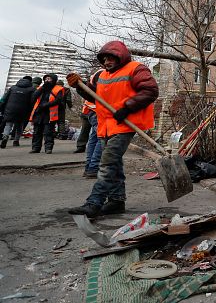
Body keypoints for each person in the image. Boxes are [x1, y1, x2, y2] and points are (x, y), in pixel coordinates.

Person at [66, 41, 158, 218]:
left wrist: (127, 107)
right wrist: (80, 86)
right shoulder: (103, 76)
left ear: (120, 56)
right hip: (106, 126)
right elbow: (96, 97)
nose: (107, 62)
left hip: (125, 124)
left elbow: (150, 90)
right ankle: (116, 201)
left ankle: (94, 203)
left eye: (111, 58)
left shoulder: (136, 69)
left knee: (107, 163)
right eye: (104, 59)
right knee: (114, 164)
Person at [30, 74, 64, 154]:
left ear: (53, 80)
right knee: (37, 132)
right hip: (39, 113)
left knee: (48, 132)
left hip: (49, 114)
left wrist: (46, 105)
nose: (47, 80)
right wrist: (42, 88)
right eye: (46, 79)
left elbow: (58, 100)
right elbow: (34, 97)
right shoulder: (40, 88)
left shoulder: (58, 89)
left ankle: (48, 148)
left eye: (49, 79)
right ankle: (35, 148)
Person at [0, 75, 36, 148]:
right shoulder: (32, 89)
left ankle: (5, 136)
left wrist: (2, 109)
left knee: (8, 124)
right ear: (30, 81)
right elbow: (32, 101)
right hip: (23, 110)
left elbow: (4, 98)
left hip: (10, 108)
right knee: (19, 125)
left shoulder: (13, 87)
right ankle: (16, 141)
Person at [81, 71, 102, 178]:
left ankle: (89, 167)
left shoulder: (99, 72)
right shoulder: (103, 73)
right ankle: (93, 168)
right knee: (102, 138)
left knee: (94, 138)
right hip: (97, 110)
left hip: (93, 110)